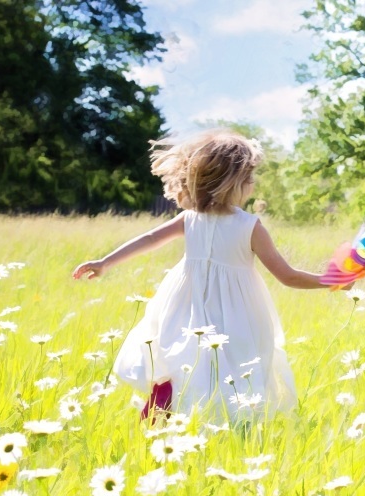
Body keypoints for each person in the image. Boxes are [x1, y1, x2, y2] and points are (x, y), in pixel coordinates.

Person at [72, 129, 336, 421]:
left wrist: (106, 262)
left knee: (183, 356)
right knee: (233, 367)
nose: (252, 184)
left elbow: (149, 239)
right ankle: (227, 424)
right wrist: (331, 280)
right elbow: (288, 276)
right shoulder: (249, 226)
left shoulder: (190, 218)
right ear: (230, 182)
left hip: (185, 303)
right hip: (235, 311)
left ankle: (167, 410)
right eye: (248, 178)